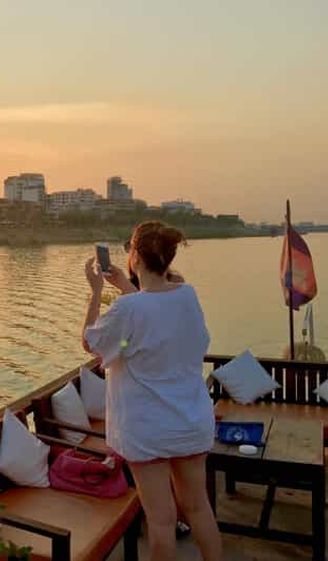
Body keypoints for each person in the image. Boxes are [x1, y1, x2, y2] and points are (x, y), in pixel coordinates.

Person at [81, 221, 222, 561]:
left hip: (148, 430)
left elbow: (91, 342)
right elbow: (155, 314)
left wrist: (97, 291)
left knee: (161, 521)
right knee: (199, 508)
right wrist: (126, 286)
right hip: (190, 421)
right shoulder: (186, 296)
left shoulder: (128, 309)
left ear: (134, 256)